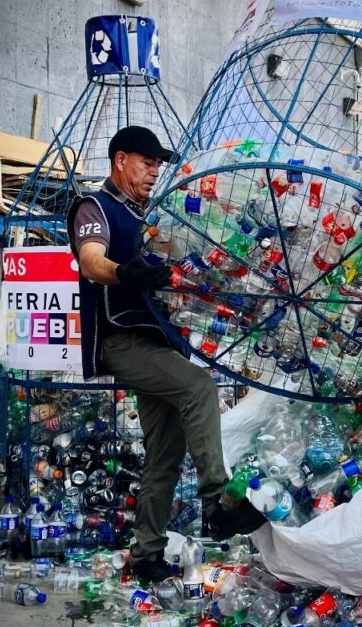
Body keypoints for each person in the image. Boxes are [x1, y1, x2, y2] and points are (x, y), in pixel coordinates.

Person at [67, 125, 264, 581]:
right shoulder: (94, 207)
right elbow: (91, 261)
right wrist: (126, 272)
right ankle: (217, 503)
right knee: (198, 386)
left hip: (160, 344)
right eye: (147, 162)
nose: (155, 171)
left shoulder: (154, 215)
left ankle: (146, 554)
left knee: (164, 457)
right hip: (121, 338)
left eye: (159, 164)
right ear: (120, 160)